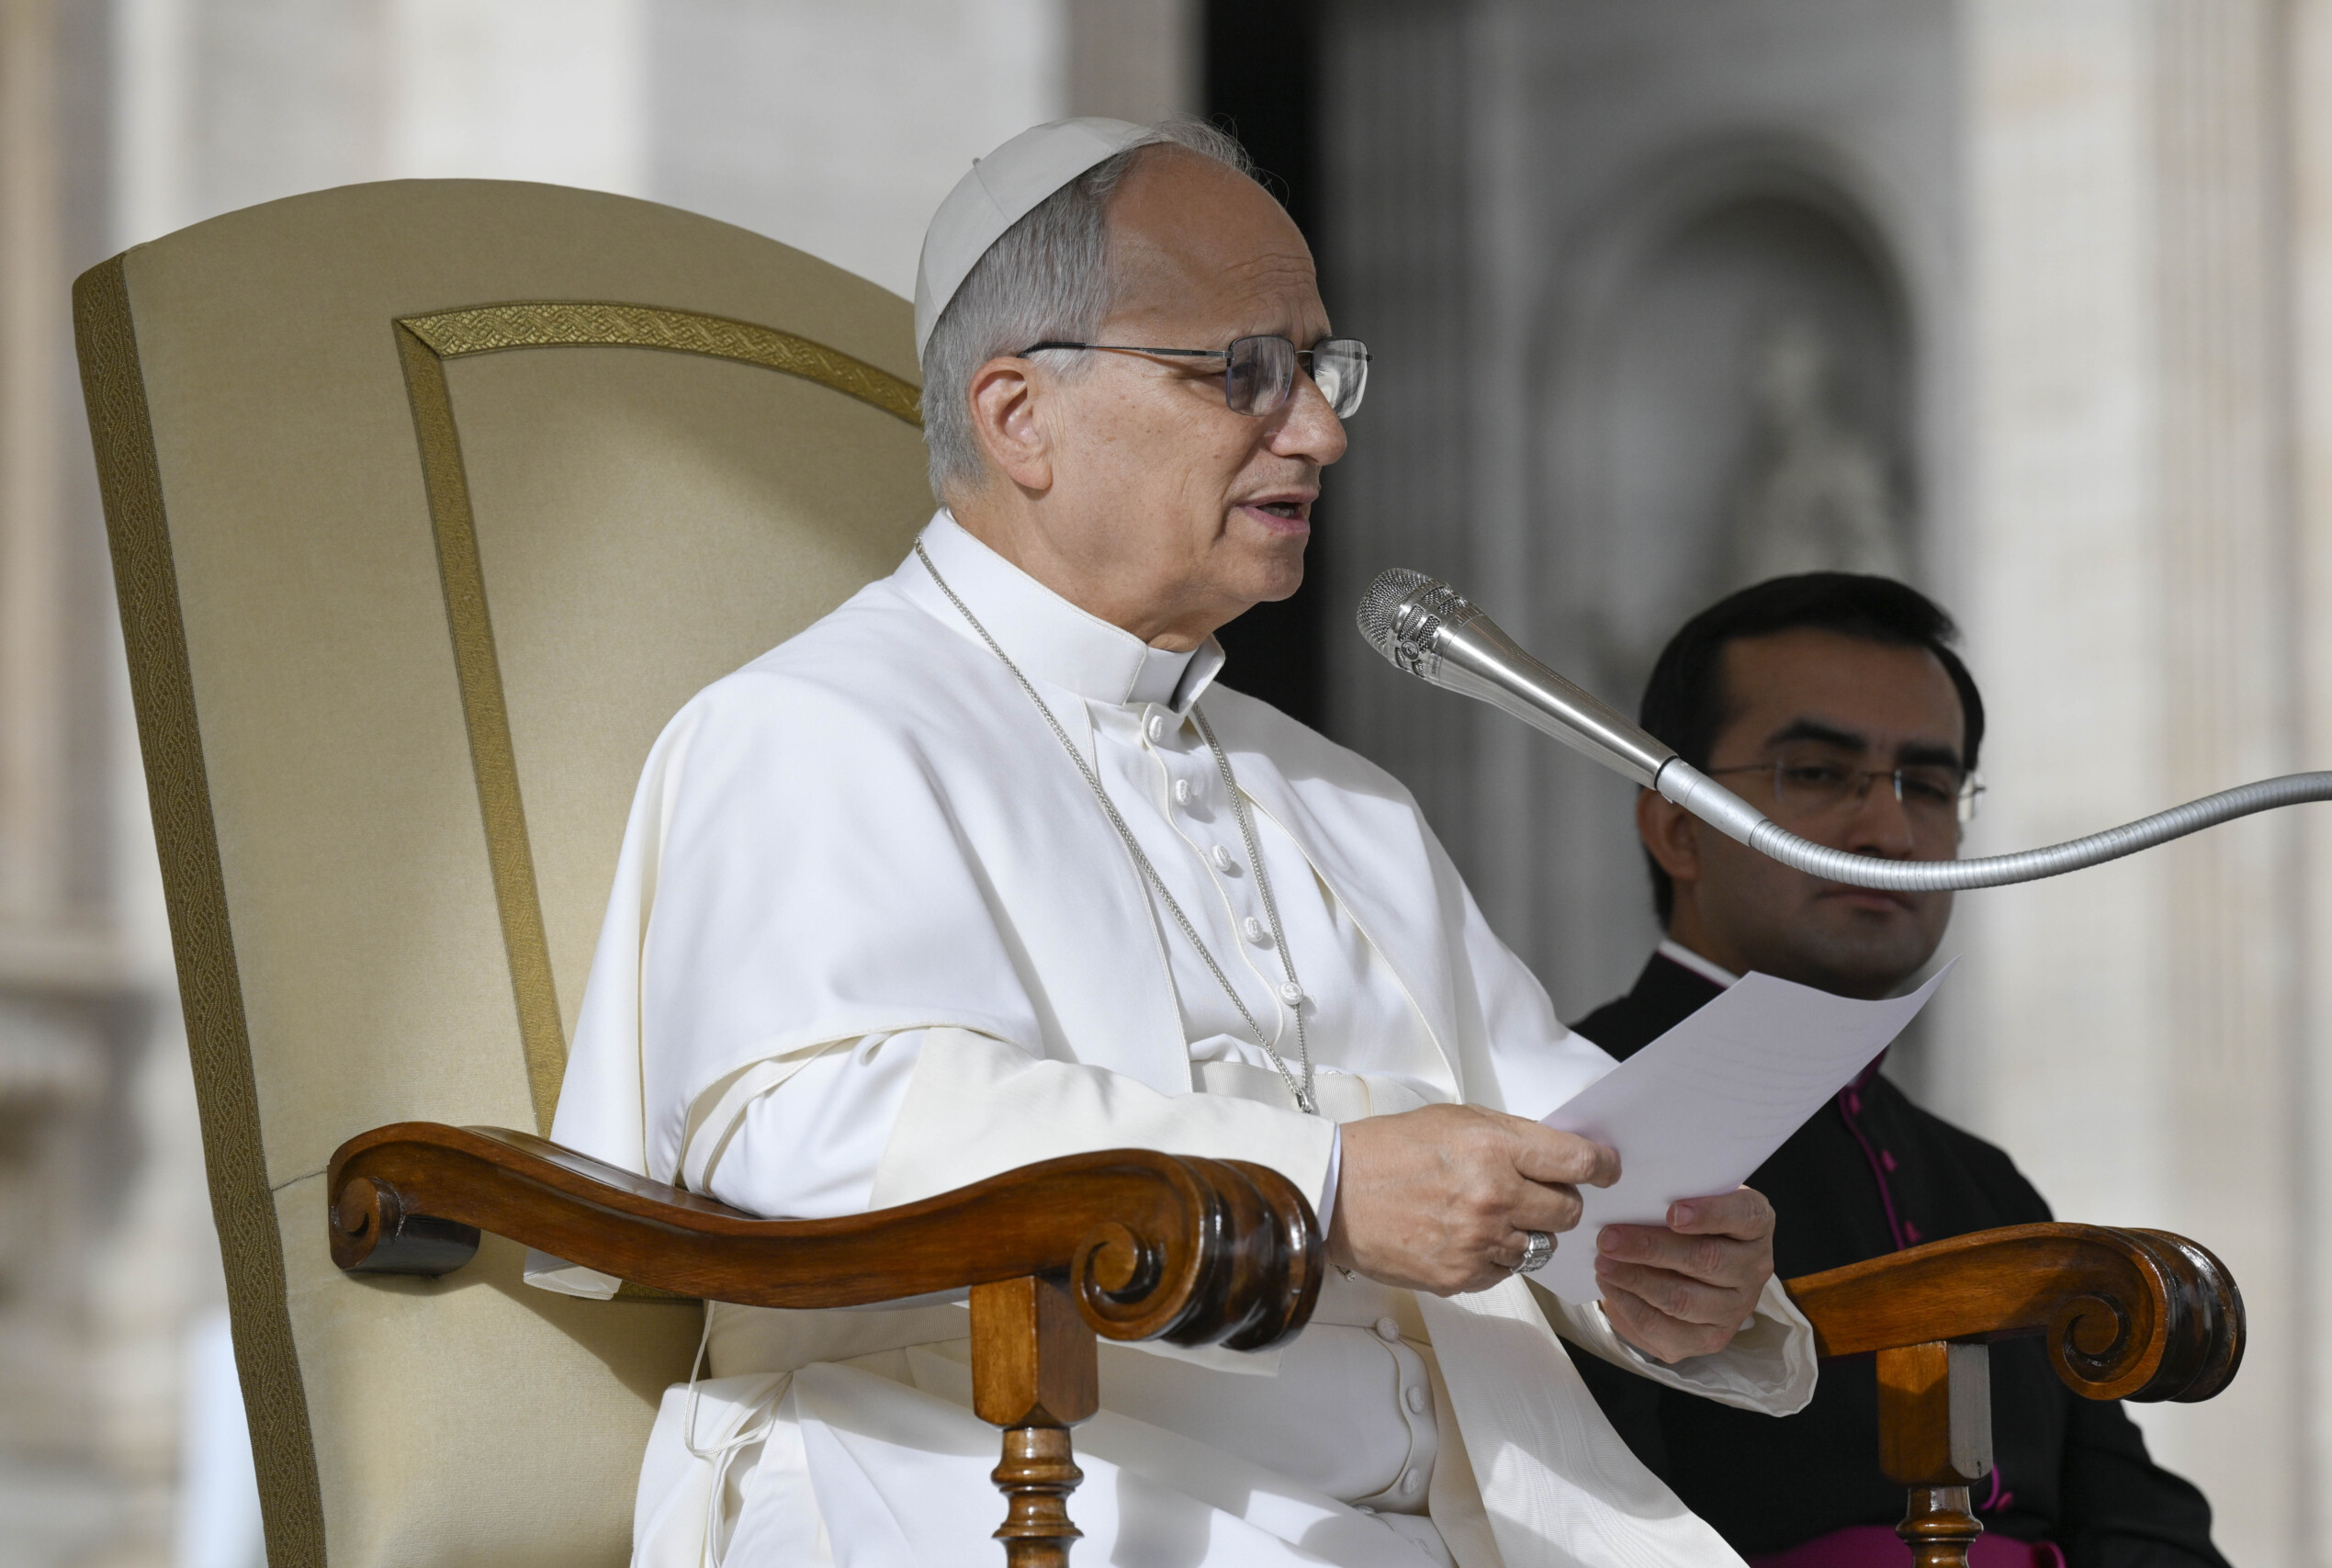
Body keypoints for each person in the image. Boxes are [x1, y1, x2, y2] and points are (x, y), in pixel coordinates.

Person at [537, 117, 1819, 1568]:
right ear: (1020, 415)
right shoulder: (812, 727)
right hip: (1012, 1482)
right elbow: (808, 1124)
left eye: (1320, 369)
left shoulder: (1340, 795)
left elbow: (1561, 1125)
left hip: (1459, 1515)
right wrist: (1320, 1183)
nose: (1321, 431)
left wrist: (1665, 1257)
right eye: (1244, 372)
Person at [1565, 574, 2227, 1568]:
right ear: (1677, 828)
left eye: (1928, 784)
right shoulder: (1564, 1118)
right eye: (1816, 773)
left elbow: (2139, 1520)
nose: (1889, 832)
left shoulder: (1983, 1181)